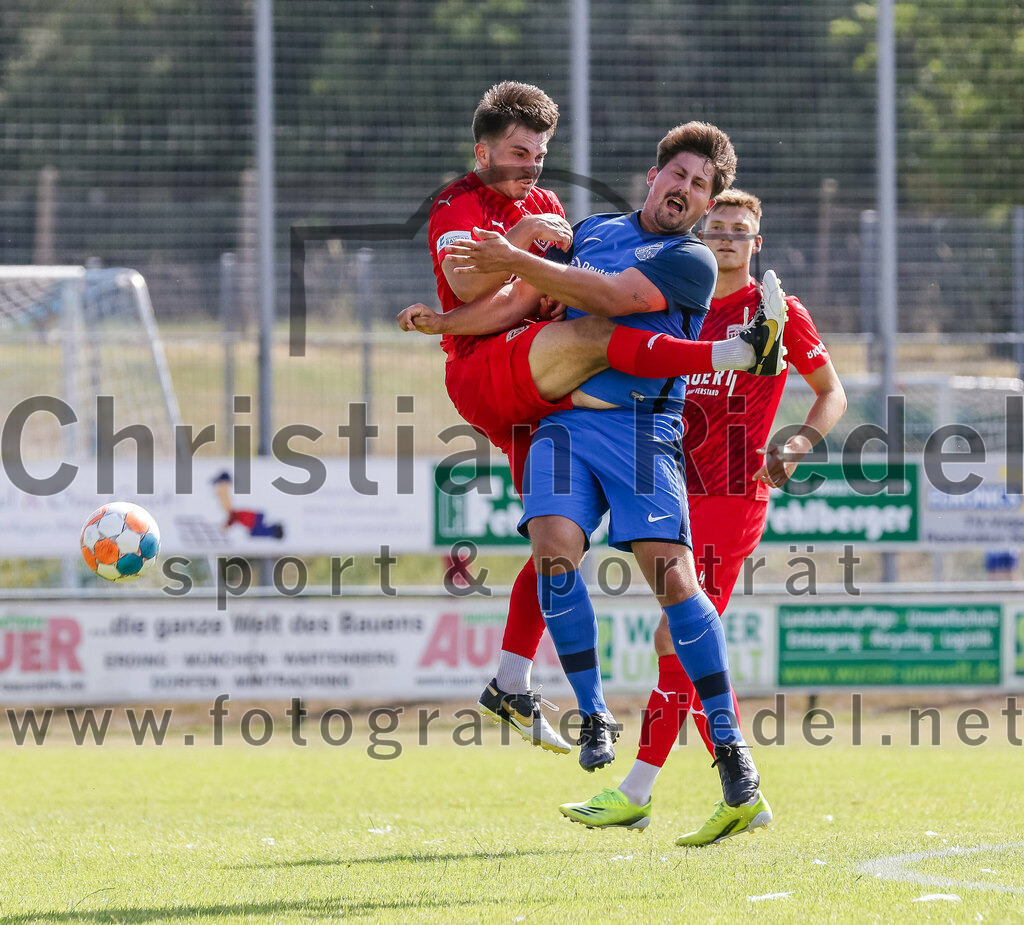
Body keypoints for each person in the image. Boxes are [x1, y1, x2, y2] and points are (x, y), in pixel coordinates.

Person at [408, 87, 785, 759]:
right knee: (596, 333)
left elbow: (544, 288)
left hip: (571, 404)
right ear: (483, 151)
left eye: (541, 155)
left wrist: (532, 259)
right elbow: (478, 287)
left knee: (558, 543)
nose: (531, 167)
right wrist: (486, 280)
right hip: (492, 367)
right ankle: (728, 352)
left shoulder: (568, 213)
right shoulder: (457, 204)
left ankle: (516, 680)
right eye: (519, 153)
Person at [558, 188, 847, 845]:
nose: (725, 239)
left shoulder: (774, 311)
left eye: (739, 231)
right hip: (664, 483)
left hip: (731, 494)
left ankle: (645, 790)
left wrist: (799, 441)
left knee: (672, 639)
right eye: (717, 227)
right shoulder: (676, 296)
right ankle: (721, 790)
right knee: (678, 643)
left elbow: (832, 392)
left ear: (756, 243)